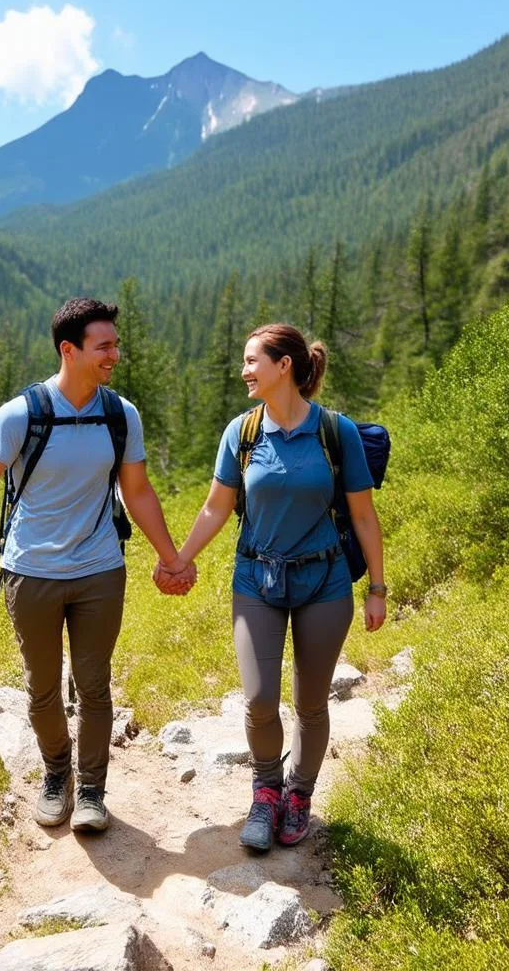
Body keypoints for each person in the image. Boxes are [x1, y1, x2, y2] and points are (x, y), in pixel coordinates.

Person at [0, 297, 195, 833]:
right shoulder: (22, 414)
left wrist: (171, 558)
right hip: (32, 574)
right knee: (42, 688)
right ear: (69, 349)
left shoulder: (120, 414)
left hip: (98, 570)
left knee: (94, 687)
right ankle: (56, 775)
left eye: (115, 344)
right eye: (104, 346)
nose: (115, 354)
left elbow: (136, 491)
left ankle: (92, 791)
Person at [158, 323, 386, 851]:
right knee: (260, 700)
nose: (244, 371)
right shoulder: (241, 433)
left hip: (324, 581)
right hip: (256, 580)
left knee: (311, 702)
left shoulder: (335, 432)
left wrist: (377, 586)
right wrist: (178, 560)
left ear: (284, 366)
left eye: (252, 360)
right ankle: (265, 792)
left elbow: (364, 515)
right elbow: (217, 506)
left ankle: (298, 796)